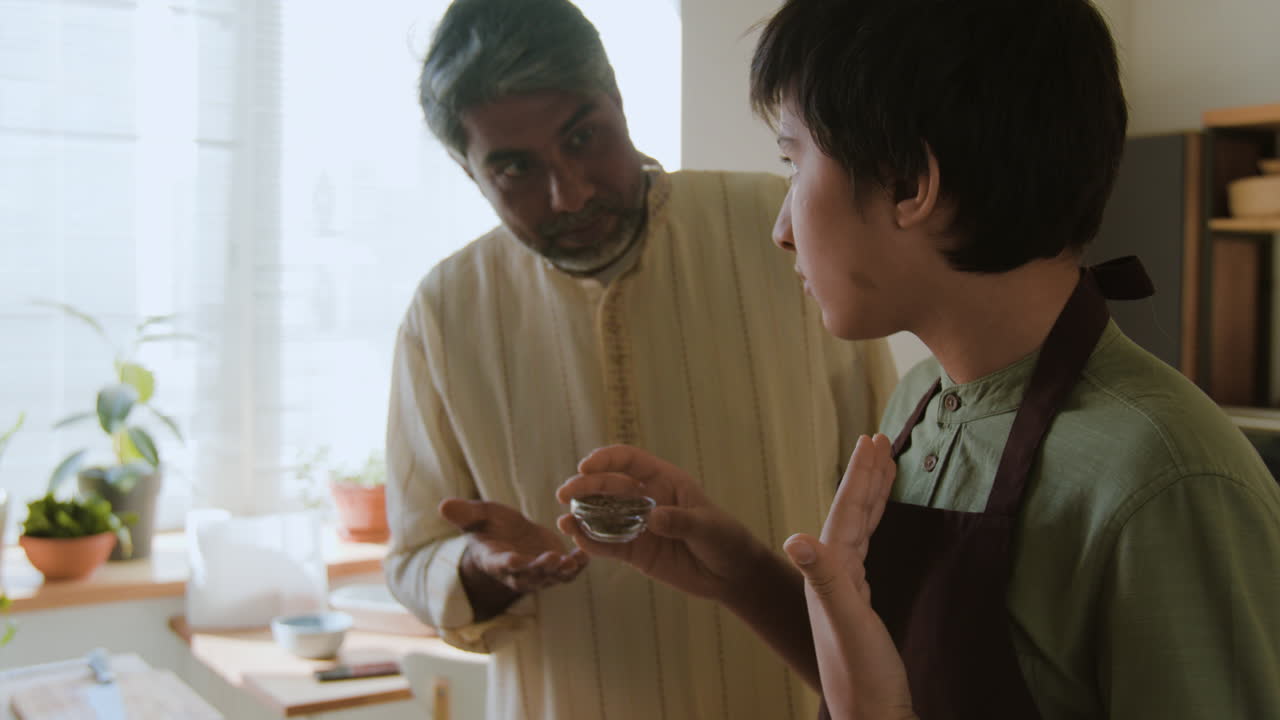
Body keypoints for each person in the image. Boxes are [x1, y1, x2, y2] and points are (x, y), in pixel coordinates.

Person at [557, 0, 1280, 718]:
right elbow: (896, 683)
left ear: (908, 183)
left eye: (793, 162)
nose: (781, 230)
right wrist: (740, 574)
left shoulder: (1166, 482)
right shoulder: (920, 401)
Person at [382, 1, 899, 718]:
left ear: (618, 101)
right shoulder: (445, 311)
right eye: (515, 168)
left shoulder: (786, 235)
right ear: (468, 173)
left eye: (583, 137)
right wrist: (482, 567)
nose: (570, 193)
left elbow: (892, 500)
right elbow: (414, 558)